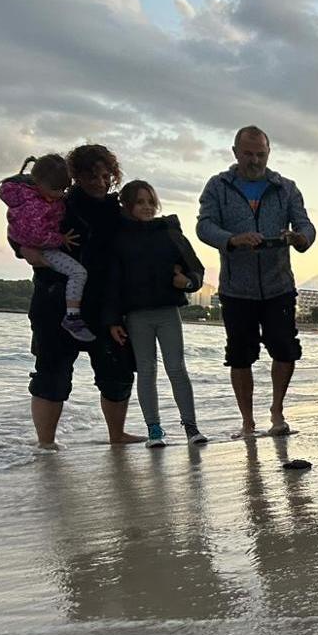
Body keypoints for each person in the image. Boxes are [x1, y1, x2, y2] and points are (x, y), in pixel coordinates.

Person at [196, 125, 316, 439]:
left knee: (286, 349)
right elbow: (204, 226)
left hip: (279, 285)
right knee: (240, 355)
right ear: (235, 153)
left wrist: (301, 238)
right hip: (236, 289)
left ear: (268, 152)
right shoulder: (218, 186)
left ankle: (277, 410)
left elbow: (305, 225)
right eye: (248, 154)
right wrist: (232, 240)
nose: (255, 160)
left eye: (260, 154)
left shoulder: (285, 187)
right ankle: (247, 421)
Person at [18, 143, 138, 449]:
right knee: (51, 375)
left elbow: (149, 240)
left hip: (107, 308)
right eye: (90, 176)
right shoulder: (58, 203)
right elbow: (21, 229)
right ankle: (46, 444)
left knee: (118, 373)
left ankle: (117, 435)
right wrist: (22, 249)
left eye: (106, 175)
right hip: (55, 303)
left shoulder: (120, 210)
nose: (99, 182)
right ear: (76, 177)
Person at [104, 180, 207, 447]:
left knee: (176, 368)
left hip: (168, 311)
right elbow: (112, 282)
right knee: (146, 371)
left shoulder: (169, 232)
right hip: (137, 316)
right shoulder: (118, 239)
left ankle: (191, 428)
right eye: (140, 202)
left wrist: (187, 282)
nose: (147, 207)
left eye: (151, 201)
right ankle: (154, 430)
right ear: (127, 206)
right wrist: (113, 319)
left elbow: (196, 269)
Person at [0, 155, 92, 342]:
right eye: (56, 189)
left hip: (36, 248)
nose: (60, 194)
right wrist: (60, 239)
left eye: (63, 189)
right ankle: (72, 316)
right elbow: (35, 235)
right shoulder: (34, 205)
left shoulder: (30, 196)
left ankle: (72, 315)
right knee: (78, 273)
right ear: (39, 182)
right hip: (44, 250)